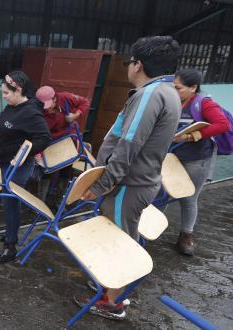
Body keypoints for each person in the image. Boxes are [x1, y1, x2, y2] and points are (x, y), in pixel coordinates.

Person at [78, 36, 181, 320]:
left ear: (139, 65)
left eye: (130, 62)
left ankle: (113, 302)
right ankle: (110, 286)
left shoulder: (150, 94)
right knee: (120, 236)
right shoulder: (168, 91)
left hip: (128, 184)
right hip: (136, 182)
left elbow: (129, 145)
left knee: (120, 241)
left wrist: (100, 184)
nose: (129, 67)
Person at [165, 69, 230, 256]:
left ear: (193, 88)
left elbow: (222, 124)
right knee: (161, 193)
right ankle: (149, 231)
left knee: (189, 198)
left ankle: (186, 236)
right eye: (173, 87)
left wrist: (193, 135)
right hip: (171, 157)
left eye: (178, 88)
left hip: (196, 159)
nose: (174, 91)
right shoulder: (172, 101)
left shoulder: (204, 103)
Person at [0, 71, 51, 263]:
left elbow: (44, 138)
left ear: (18, 90)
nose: (4, 96)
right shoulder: (12, 106)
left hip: (17, 167)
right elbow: (3, 121)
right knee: (8, 203)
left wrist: (23, 154)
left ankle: (10, 246)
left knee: (11, 203)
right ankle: (10, 232)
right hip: (4, 162)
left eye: (6, 93)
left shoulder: (30, 112)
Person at [34, 86, 91, 202]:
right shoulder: (38, 111)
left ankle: (58, 201)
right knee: (47, 171)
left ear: (54, 99)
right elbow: (38, 134)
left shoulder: (65, 97)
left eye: (48, 106)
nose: (47, 110)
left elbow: (85, 102)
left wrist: (76, 114)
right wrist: (38, 152)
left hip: (68, 139)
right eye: (44, 107)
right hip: (51, 142)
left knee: (65, 171)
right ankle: (40, 202)